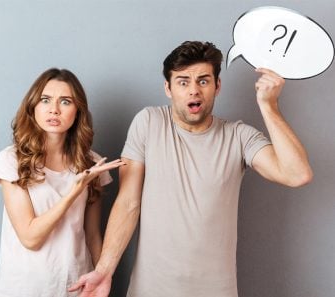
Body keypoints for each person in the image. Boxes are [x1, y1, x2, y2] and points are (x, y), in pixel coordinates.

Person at [69, 41, 313, 297]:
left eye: (203, 81)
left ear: (217, 86)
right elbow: (128, 202)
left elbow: (297, 174)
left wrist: (269, 105)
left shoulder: (239, 136)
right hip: (151, 290)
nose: (194, 91)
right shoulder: (149, 122)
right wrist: (105, 270)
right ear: (168, 88)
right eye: (183, 82)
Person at [0, 68, 125, 297]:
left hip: (76, 286)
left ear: (77, 111)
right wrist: (74, 191)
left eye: (65, 101)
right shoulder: (11, 159)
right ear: (33, 106)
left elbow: (92, 234)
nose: (54, 109)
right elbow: (30, 237)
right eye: (45, 100)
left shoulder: (92, 162)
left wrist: (100, 279)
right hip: (23, 288)